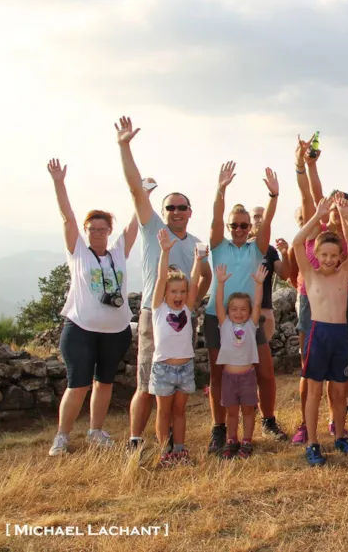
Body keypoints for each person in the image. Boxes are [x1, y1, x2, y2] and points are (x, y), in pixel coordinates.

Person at [116, 117, 212, 452]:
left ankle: (171, 443)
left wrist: (196, 297)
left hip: (183, 318)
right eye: (169, 206)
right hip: (151, 315)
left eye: (180, 207)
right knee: (147, 383)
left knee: (176, 389)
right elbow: (133, 189)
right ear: (162, 210)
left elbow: (204, 278)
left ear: (189, 211)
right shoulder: (152, 228)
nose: (174, 211)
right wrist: (124, 147)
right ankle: (135, 440)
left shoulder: (196, 242)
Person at [47, 158, 138, 456]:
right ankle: (62, 436)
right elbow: (66, 218)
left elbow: (137, 219)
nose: (96, 232)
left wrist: (143, 192)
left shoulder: (119, 251)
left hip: (116, 331)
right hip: (81, 330)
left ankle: (96, 431)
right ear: (86, 230)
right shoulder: (78, 253)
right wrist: (59, 183)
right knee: (78, 384)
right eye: (92, 228)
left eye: (102, 228)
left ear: (110, 230)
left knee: (105, 382)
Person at [204, 162, 279, 454]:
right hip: (217, 318)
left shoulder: (255, 248)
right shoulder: (217, 245)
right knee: (218, 374)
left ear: (250, 228)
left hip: (249, 321)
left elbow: (268, 225)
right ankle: (219, 428)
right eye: (234, 225)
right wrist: (220, 189)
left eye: (244, 225)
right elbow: (215, 217)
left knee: (266, 372)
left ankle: (268, 420)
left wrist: (273, 197)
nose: (238, 229)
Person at [292, 195, 348, 465]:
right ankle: (312, 442)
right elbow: (298, 242)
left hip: (340, 336)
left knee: (339, 391)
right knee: (313, 391)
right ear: (316, 255)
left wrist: (346, 217)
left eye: (334, 255)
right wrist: (318, 216)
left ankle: (340, 436)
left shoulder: (344, 273)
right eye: (324, 255)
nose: (329, 259)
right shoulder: (310, 275)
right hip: (318, 334)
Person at [150, 230, 206, 466]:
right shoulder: (158, 308)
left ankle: (180, 450)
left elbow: (194, 282)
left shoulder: (186, 309)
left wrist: (197, 260)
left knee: (180, 411)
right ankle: (165, 452)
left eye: (182, 292)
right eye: (174, 291)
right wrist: (164, 251)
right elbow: (162, 278)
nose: (179, 295)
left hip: (185, 367)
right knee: (164, 412)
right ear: (164, 293)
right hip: (163, 368)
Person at [214, 263, 267, 459]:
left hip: (247, 377)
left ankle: (246, 441)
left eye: (243, 309)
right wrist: (220, 283)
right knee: (232, 412)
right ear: (228, 311)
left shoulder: (251, 325)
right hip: (229, 377)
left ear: (249, 311)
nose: (238, 313)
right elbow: (218, 305)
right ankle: (232, 440)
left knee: (248, 410)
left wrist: (259, 285)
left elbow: (259, 305)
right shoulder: (224, 324)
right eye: (234, 309)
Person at [248, 205, 291, 441]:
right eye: (255, 216)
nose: (258, 220)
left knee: (264, 371)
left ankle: (267, 420)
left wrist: (285, 253)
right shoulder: (238, 247)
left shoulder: (270, 250)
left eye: (262, 216)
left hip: (264, 312)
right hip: (239, 314)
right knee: (241, 369)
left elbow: (284, 274)